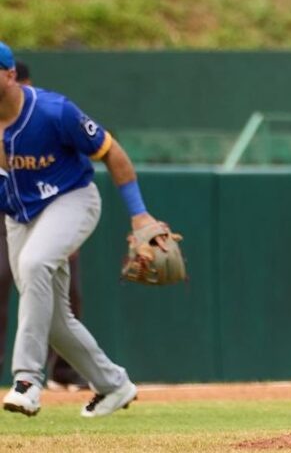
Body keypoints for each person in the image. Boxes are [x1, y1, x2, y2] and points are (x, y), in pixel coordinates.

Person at [0, 41, 167, 417]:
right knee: (55, 319)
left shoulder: (52, 110)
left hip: (71, 198)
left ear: (11, 75)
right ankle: (113, 384)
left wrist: (139, 214)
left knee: (34, 264)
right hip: (20, 215)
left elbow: (112, 152)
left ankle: (26, 380)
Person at [0, 61, 89, 394]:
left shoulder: (45, 116)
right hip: (9, 217)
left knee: (66, 297)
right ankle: (26, 376)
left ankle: (64, 370)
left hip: (47, 214)